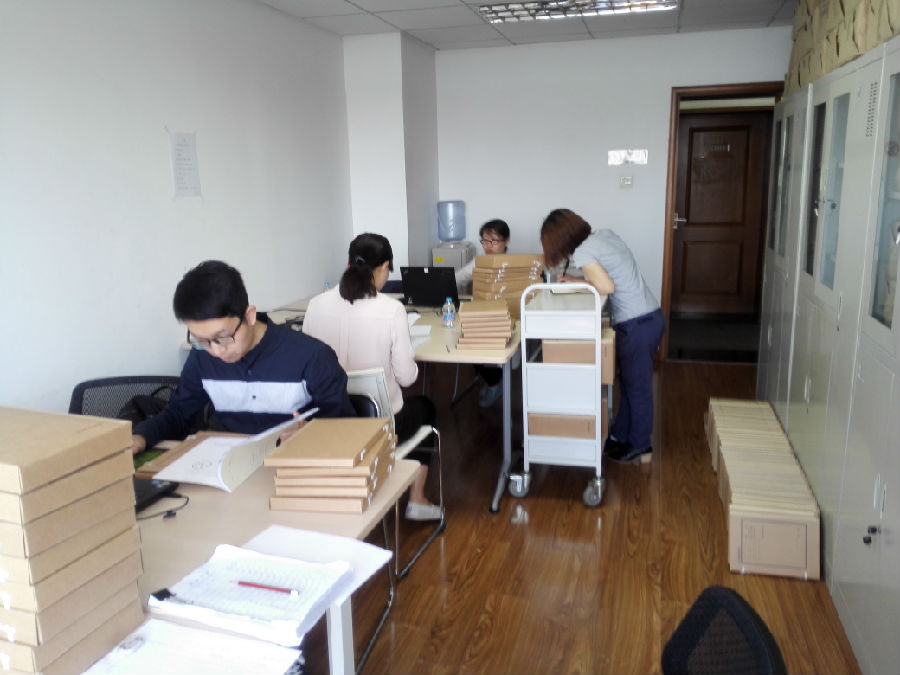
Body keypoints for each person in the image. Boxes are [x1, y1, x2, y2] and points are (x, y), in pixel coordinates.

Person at [131, 260, 355, 454]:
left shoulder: (311, 357)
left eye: (222, 337)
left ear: (249, 316)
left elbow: (347, 428)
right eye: (202, 340)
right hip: (227, 465)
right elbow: (178, 413)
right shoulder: (201, 358)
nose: (216, 351)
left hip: (291, 464)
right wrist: (140, 437)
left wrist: (312, 435)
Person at [302, 233, 442, 521]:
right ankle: (417, 499)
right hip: (380, 425)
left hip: (327, 421)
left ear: (348, 263)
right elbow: (407, 378)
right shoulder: (391, 310)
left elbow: (306, 366)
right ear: (384, 267)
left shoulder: (315, 305)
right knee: (425, 407)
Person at [540, 208, 665, 463]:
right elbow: (610, 275)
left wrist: (579, 283)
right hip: (650, 317)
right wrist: (577, 279)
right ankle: (620, 436)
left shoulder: (583, 252)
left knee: (637, 388)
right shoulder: (605, 235)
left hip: (637, 324)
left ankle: (641, 445)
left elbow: (607, 286)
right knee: (629, 383)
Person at [455, 219, 510, 406]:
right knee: (468, 341)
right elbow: (457, 278)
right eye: (485, 241)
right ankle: (493, 380)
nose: (488, 246)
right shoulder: (478, 262)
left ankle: (495, 381)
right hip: (482, 318)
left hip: (508, 319)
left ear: (506, 241)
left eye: (494, 241)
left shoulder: (515, 265)